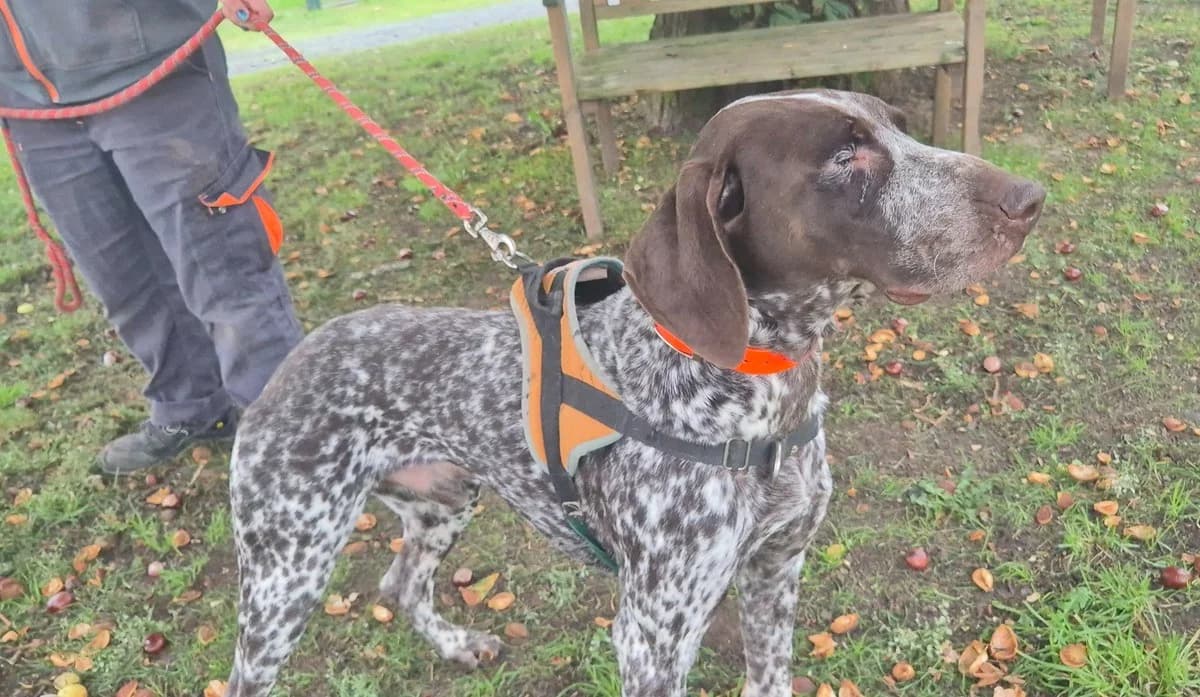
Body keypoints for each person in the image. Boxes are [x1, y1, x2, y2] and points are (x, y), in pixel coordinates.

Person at [0, 0, 303, 474]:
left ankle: (288, 435)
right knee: (124, 281)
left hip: (153, 66)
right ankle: (192, 408)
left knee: (223, 273)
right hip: (28, 105)